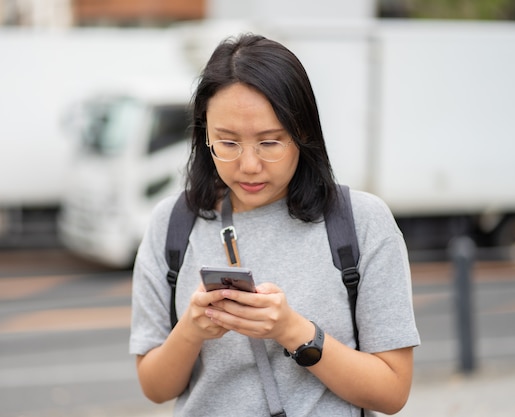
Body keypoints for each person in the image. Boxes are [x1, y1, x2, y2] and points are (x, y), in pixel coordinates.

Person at [130, 33, 420, 417]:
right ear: (204, 136)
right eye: (227, 142)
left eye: (269, 143)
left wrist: (292, 331)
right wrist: (192, 329)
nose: (249, 165)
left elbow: (392, 390)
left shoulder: (361, 221)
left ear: (303, 135)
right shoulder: (172, 224)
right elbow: (155, 387)